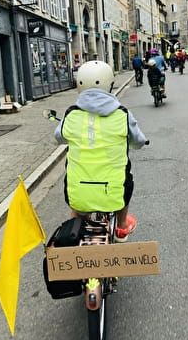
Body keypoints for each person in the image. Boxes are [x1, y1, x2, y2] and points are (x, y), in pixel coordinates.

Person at [54, 60, 148, 242]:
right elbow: (138, 141)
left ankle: (76, 228)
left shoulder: (71, 114)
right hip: (113, 189)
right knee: (126, 182)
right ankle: (121, 227)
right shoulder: (122, 114)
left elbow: (58, 137)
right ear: (109, 85)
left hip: (78, 189)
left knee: (78, 201)